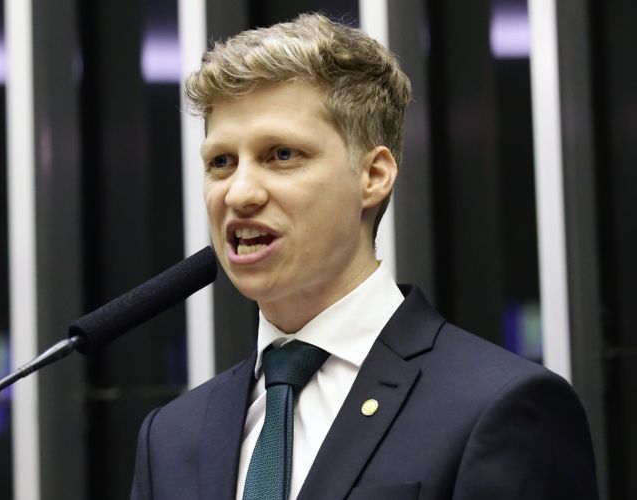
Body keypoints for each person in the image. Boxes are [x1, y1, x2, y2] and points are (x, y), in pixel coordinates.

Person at [130, 13, 598, 500]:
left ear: (373, 176)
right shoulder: (170, 437)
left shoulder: (497, 405)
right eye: (221, 162)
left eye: (282, 155)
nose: (239, 193)